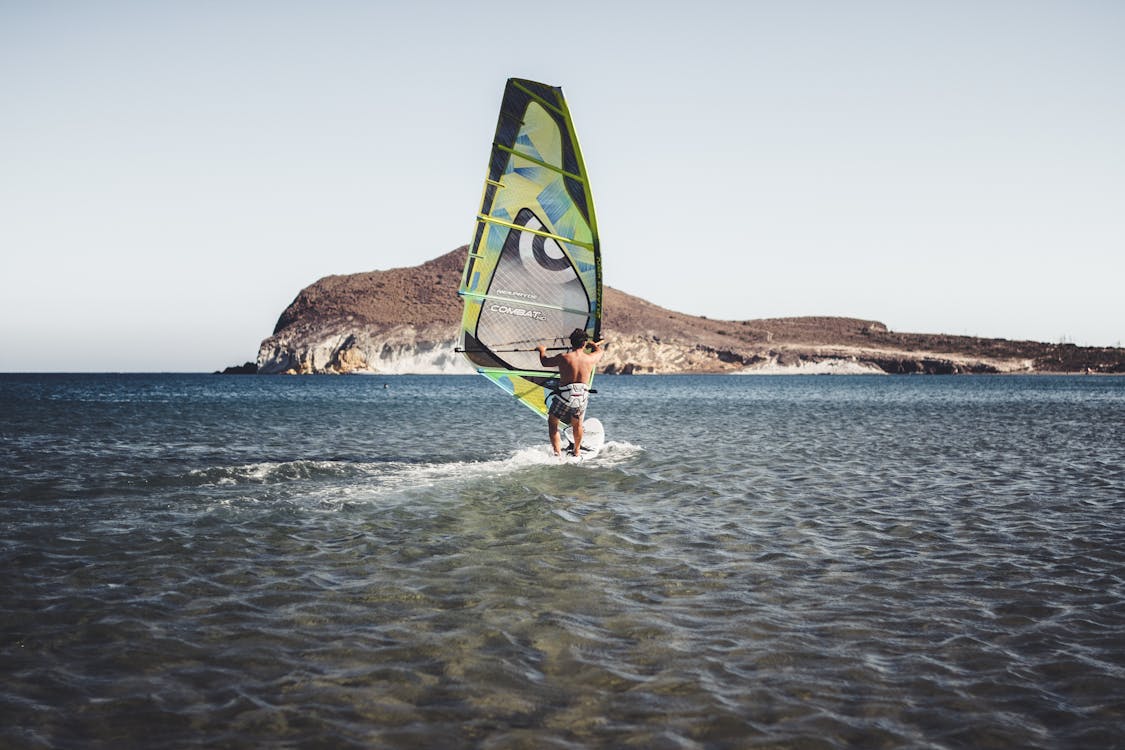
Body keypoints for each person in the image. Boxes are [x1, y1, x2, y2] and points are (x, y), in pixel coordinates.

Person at [537, 329, 605, 457]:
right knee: (577, 424)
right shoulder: (591, 359)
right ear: (584, 343)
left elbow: (544, 362)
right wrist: (594, 345)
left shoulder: (564, 357)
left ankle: (557, 453)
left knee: (553, 422)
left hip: (564, 397)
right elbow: (600, 351)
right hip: (581, 398)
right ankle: (577, 450)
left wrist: (542, 350)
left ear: (571, 343)